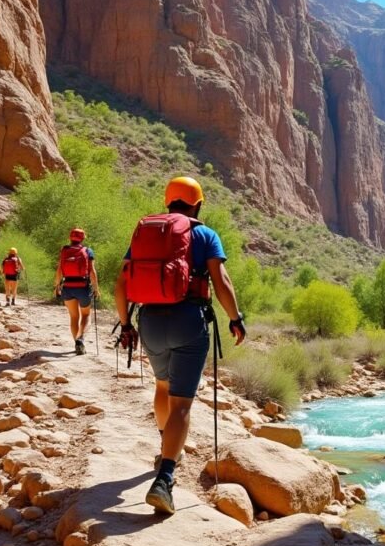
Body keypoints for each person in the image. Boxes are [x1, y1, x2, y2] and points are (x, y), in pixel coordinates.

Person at [114, 176, 246, 515]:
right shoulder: (205, 235)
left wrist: (126, 325)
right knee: (182, 403)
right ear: (198, 204)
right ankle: (165, 479)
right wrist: (235, 318)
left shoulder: (148, 231)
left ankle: (166, 445)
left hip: (150, 321)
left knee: (162, 385)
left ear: (168, 201)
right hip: (188, 321)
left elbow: (121, 283)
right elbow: (221, 280)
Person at [54, 229, 99, 355]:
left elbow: (59, 270)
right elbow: (92, 271)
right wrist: (96, 288)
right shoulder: (88, 251)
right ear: (83, 238)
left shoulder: (64, 250)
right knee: (86, 315)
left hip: (67, 287)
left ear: (70, 238)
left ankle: (77, 344)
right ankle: (80, 339)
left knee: (74, 317)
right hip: (83, 287)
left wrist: (57, 286)